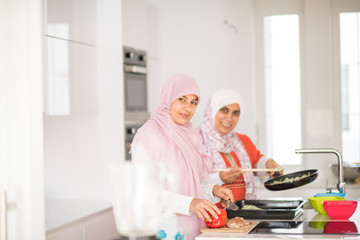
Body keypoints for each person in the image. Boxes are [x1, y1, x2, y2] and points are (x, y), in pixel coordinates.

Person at [131, 75, 234, 240]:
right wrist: (190, 204)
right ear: (168, 98)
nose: (188, 108)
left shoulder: (189, 135)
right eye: (182, 99)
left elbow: (192, 185)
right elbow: (144, 192)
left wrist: (212, 190)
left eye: (193, 102)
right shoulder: (149, 136)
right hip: (162, 231)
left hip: (194, 231)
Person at [198, 89, 283, 202]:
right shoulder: (195, 141)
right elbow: (189, 184)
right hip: (211, 216)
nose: (229, 118)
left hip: (243, 214)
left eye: (235, 113)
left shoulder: (242, 141)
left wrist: (267, 163)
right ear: (212, 111)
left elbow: (256, 164)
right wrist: (219, 178)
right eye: (224, 110)